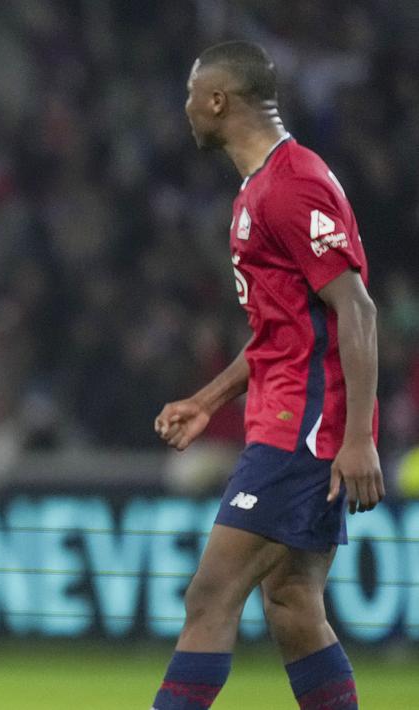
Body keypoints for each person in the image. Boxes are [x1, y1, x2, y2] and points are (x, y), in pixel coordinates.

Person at [150, 41, 383, 709]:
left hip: (304, 425)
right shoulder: (258, 189)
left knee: (209, 595)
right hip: (286, 413)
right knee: (290, 602)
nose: (185, 108)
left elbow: (356, 309)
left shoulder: (292, 184)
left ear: (218, 100)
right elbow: (281, 334)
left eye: (192, 94)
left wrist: (357, 436)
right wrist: (206, 399)